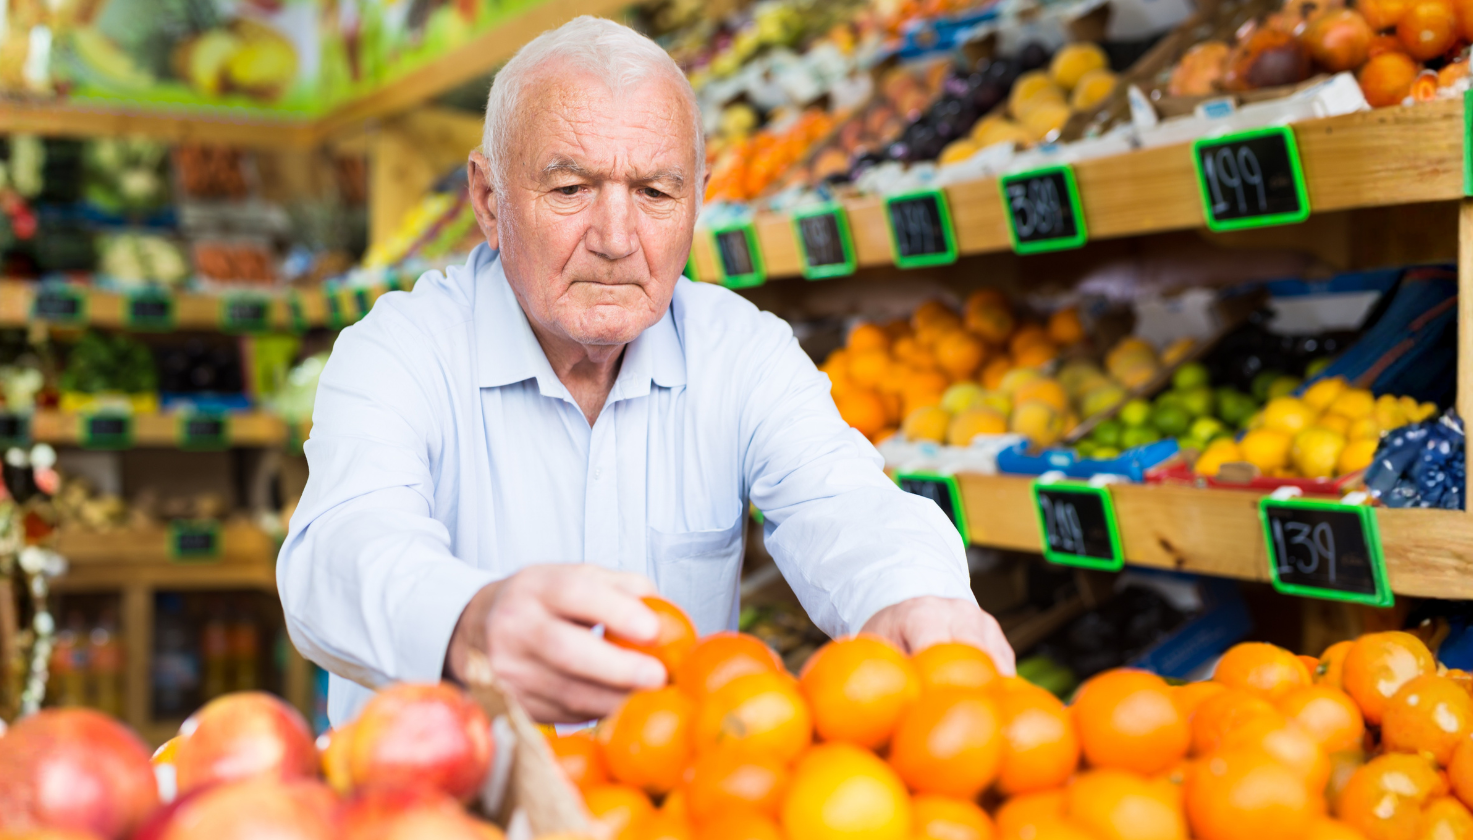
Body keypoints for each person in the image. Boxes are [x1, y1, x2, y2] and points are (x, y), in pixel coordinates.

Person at [278, 15, 1013, 726]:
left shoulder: (740, 351)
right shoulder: (401, 350)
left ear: (698, 195)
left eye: (656, 193)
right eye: (570, 189)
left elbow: (849, 504)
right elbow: (339, 552)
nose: (616, 238)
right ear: (488, 198)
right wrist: (467, 622)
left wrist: (912, 596)